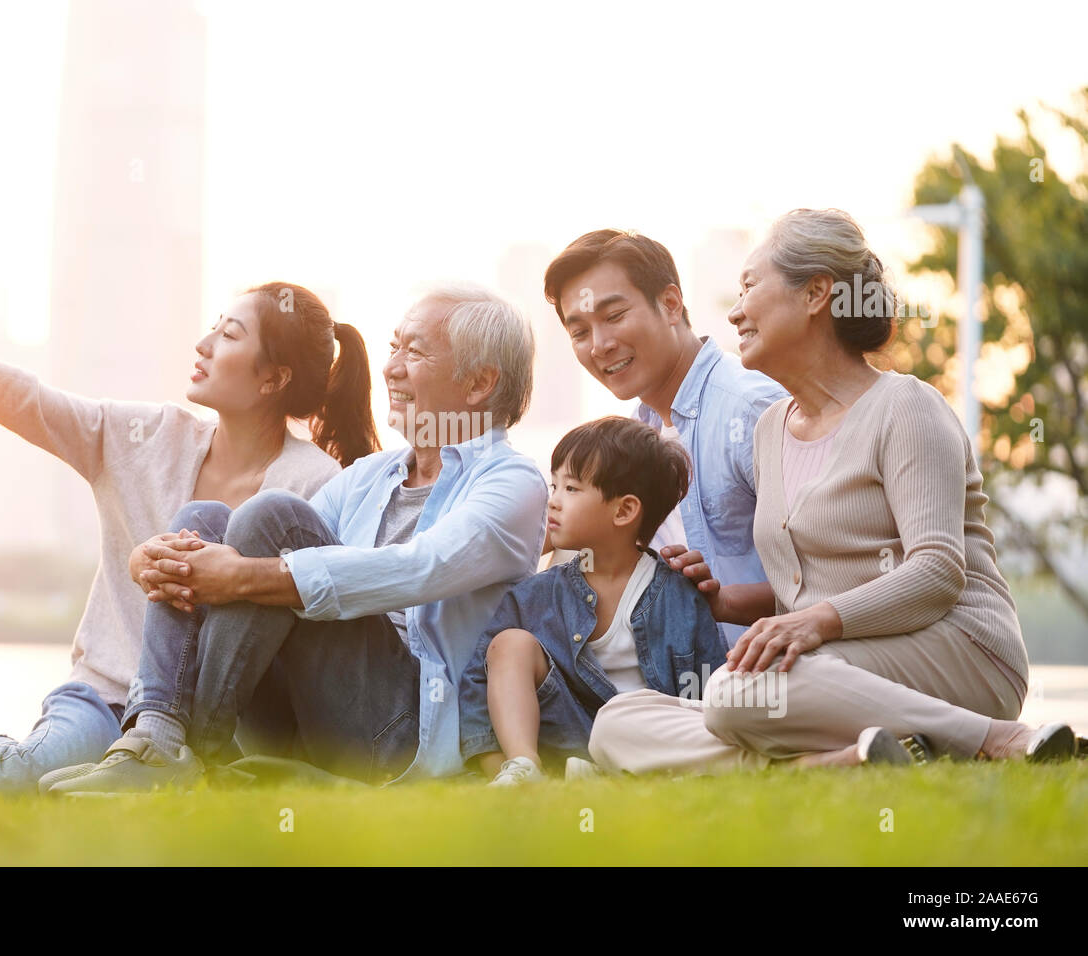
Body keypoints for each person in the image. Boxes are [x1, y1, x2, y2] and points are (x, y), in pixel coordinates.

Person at [0, 279, 378, 806]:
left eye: (227, 335)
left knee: (105, 801)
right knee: (26, 780)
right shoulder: (141, 438)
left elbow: (342, 618)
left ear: (273, 379)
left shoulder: (316, 486)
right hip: (105, 695)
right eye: (212, 328)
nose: (202, 345)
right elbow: (17, 395)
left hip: (222, 718)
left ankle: (152, 762)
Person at [586, 209, 1078, 774]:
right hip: (839, 667)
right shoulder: (772, 429)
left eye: (751, 286)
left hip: (957, 648)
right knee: (619, 723)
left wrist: (813, 624)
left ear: (817, 292)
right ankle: (839, 760)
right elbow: (805, 594)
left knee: (737, 692)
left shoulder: (906, 407)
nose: (734, 310)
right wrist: (725, 601)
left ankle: (995, 735)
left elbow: (938, 572)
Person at [41, 282, 548, 794]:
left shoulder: (512, 483)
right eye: (393, 347)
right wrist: (153, 559)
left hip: (400, 734)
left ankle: (181, 752)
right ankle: (156, 732)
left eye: (413, 352)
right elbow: (245, 543)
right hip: (308, 717)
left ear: (480, 382)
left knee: (272, 517)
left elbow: (421, 567)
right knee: (205, 519)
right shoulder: (370, 476)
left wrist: (246, 576)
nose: (391, 367)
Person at [543, 230, 788, 648]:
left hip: (771, 676)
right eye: (579, 332)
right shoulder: (631, 439)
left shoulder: (751, 408)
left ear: (671, 304)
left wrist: (724, 601)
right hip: (681, 685)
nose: (600, 345)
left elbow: (831, 581)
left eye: (615, 316)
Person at [458, 416, 725, 786]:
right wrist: (497, 763)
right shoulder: (537, 595)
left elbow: (712, 695)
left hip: (649, 737)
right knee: (509, 644)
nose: (552, 501)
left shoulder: (680, 595)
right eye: (554, 485)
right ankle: (523, 769)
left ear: (623, 511)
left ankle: (634, 775)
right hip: (569, 738)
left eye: (571, 488)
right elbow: (476, 682)